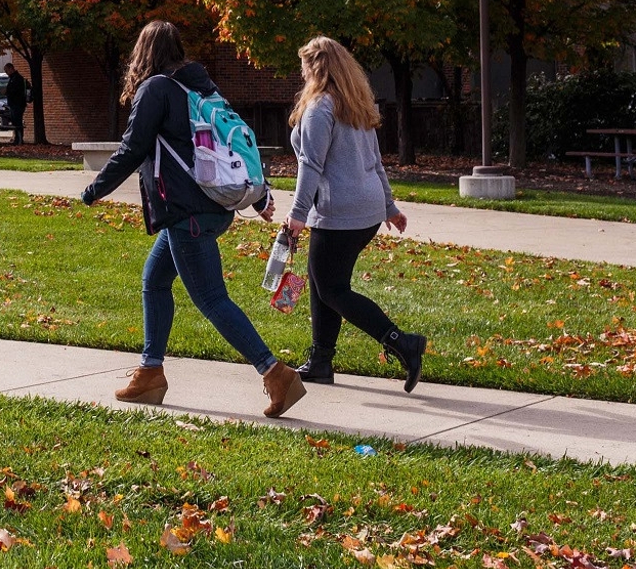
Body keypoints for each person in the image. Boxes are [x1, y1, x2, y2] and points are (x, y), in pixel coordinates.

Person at [77, 21, 306, 419]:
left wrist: (95, 189)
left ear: (144, 53)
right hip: (208, 210)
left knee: (212, 298)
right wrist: (257, 196)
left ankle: (275, 373)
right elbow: (231, 146)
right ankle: (150, 372)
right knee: (155, 279)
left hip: (188, 215)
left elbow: (133, 148)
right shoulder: (201, 88)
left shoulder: (156, 90)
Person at [284, 37, 428, 391]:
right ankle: (320, 362)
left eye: (305, 67)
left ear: (317, 69)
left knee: (331, 288)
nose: (302, 74)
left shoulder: (320, 108)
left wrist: (297, 213)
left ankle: (402, 342)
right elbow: (375, 163)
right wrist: (389, 207)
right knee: (322, 284)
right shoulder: (356, 105)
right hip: (365, 212)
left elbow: (311, 164)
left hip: (339, 212)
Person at [3, 61, 30, 144]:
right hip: (15, 104)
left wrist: (7, 91)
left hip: (17, 104)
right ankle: (17, 138)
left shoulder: (17, 79)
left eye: (7, 71)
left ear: (11, 69)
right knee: (15, 121)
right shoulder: (14, 78)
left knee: (17, 122)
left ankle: (19, 139)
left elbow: (15, 91)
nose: (7, 73)